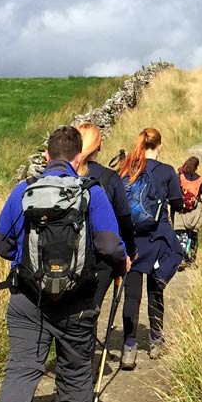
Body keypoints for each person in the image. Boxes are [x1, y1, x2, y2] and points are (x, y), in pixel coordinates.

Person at [0, 126, 128, 402]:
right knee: (77, 368)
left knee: (21, 373)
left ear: (47, 157)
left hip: (27, 301)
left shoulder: (24, 192)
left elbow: (1, 242)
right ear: (79, 158)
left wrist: (27, 262)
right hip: (77, 302)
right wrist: (119, 263)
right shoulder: (92, 193)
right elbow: (110, 244)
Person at [118, 127, 184, 367]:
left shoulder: (125, 168)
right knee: (156, 292)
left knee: (131, 295)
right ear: (159, 146)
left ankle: (129, 346)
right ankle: (155, 340)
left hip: (132, 240)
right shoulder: (167, 172)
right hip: (159, 239)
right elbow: (177, 203)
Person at [77, 123, 137, 310]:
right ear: (99, 146)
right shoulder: (110, 178)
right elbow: (124, 219)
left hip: (65, 253)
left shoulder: (66, 176)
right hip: (101, 258)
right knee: (90, 311)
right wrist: (130, 249)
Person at [174, 156, 202, 268]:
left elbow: (173, 194)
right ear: (197, 167)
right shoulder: (200, 179)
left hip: (181, 210)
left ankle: (181, 258)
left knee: (181, 235)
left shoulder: (180, 177)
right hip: (195, 211)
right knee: (193, 234)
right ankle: (191, 260)